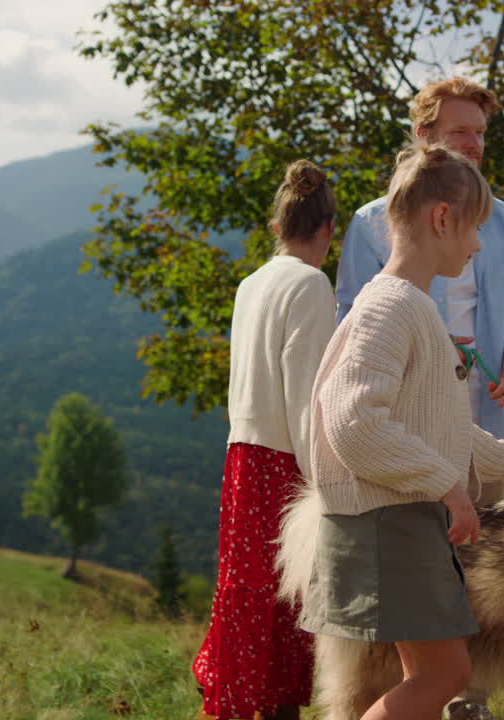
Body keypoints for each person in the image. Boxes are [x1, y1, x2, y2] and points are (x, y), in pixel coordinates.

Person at [300, 144, 504, 720]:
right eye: (474, 233)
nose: (475, 248)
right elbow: (353, 421)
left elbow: (441, 423)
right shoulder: (390, 308)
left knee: (429, 672)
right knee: (447, 673)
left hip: (401, 520)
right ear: (441, 219)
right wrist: (449, 485)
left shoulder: (412, 308)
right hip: (388, 525)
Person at [335, 77, 504, 508]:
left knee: (487, 568)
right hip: (408, 428)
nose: (475, 144)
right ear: (423, 137)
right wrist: (436, 352)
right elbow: (352, 324)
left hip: (488, 430)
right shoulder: (371, 223)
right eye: (460, 132)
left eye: (481, 132)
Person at [192, 160, 338, 720]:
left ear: (277, 228)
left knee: (246, 590)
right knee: (288, 595)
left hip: (241, 455)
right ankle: (277, 708)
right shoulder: (311, 283)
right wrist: (325, 482)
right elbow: (305, 394)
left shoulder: (251, 283)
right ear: (327, 231)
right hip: (284, 461)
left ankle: (236, 697)